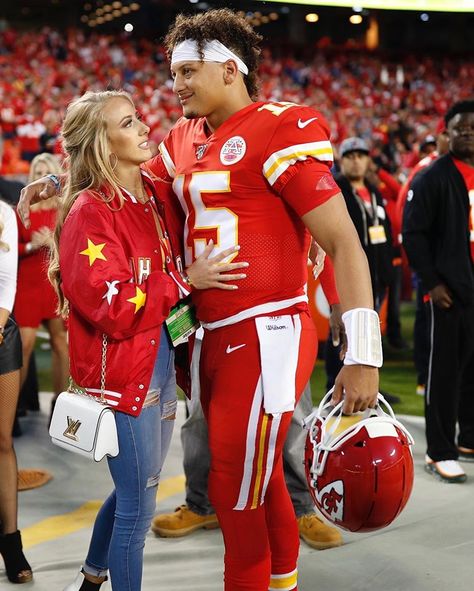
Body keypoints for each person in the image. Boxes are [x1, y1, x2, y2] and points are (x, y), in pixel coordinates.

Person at [18, 11, 381, 590]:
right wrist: (67, 182)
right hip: (207, 334)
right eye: (173, 72)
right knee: (254, 485)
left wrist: (362, 354)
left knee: (234, 489)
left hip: (263, 330)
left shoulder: (278, 126)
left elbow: (345, 242)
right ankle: (282, 580)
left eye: (188, 70)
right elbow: (127, 182)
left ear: (231, 68)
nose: (176, 84)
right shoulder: (182, 137)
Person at [47, 89, 247, 591]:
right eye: (129, 123)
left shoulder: (152, 194)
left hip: (159, 364)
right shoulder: (90, 213)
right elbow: (113, 309)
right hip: (124, 376)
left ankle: (92, 578)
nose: (144, 128)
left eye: (138, 118)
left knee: (136, 488)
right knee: (138, 506)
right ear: (103, 144)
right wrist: (186, 281)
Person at [151, 263, 344, 551]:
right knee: (201, 418)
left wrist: (338, 301)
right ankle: (202, 503)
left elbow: (329, 238)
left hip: (278, 319)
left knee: (292, 417)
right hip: (210, 320)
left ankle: (300, 507)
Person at [403, 100, 474, 484]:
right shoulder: (432, 177)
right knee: (444, 373)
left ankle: (469, 439)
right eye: (460, 129)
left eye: (472, 128)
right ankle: (439, 451)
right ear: (447, 133)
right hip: (449, 292)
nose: (467, 135)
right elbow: (413, 235)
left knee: (473, 373)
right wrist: (432, 282)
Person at [324, 137, 393, 391]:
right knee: (343, 331)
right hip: (348, 275)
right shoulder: (334, 189)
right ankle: (335, 385)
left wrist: (388, 272)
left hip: (376, 276)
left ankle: (368, 382)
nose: (356, 160)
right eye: (350, 155)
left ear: (368, 161)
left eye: (361, 155)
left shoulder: (374, 193)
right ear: (341, 161)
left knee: (367, 332)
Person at [14, 153, 69, 420]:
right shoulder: (20, 208)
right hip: (27, 283)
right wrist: (31, 245)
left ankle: (60, 407)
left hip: (53, 282)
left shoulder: (65, 208)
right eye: (36, 173)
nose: (40, 178)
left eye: (45, 172)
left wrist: (53, 242)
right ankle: (10, 408)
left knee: (61, 344)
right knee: (24, 345)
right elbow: (9, 249)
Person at [0, 197, 33, 584]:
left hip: (1, 331)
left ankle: (11, 540)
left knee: (3, 440)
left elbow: (7, 282)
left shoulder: (3, 212)